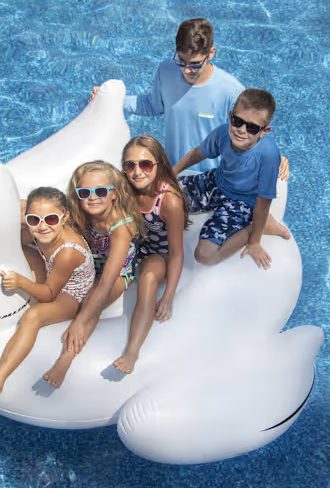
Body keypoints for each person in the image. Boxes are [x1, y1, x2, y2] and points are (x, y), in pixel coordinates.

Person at [89, 18, 289, 179]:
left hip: (212, 180)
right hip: (173, 174)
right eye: (181, 61)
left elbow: (251, 129)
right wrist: (110, 99)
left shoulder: (231, 91)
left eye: (194, 64)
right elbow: (152, 104)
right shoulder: (166, 70)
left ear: (211, 53)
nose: (186, 70)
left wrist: (275, 155)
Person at [0, 187, 96, 411]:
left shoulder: (68, 252)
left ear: (65, 218)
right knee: (7, 242)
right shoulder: (38, 230)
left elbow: (49, 294)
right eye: (34, 219)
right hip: (50, 268)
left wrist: (22, 282)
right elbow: (2, 213)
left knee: (33, 315)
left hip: (72, 293)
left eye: (51, 219)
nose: (42, 226)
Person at [43, 161, 146, 388]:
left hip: (118, 272)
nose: (92, 198)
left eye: (100, 191)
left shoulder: (121, 226)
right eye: (84, 192)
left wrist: (80, 321)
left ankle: (65, 360)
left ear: (114, 194)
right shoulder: (80, 214)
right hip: (92, 262)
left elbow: (106, 282)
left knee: (92, 302)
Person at [174, 88, 290, 270]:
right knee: (164, 195)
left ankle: (265, 226)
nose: (241, 130)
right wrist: (172, 173)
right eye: (237, 121)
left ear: (264, 131)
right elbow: (198, 153)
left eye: (252, 127)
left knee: (205, 255)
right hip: (216, 182)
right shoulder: (223, 133)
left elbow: (263, 203)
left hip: (241, 202)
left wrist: (254, 241)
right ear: (230, 117)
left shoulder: (268, 155)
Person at [113, 136, 188, 374]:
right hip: (135, 245)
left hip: (159, 253)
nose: (137, 172)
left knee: (147, 278)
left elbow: (176, 253)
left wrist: (168, 296)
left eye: (145, 164)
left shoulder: (169, 201)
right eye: (130, 165)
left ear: (158, 164)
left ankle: (132, 351)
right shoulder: (125, 189)